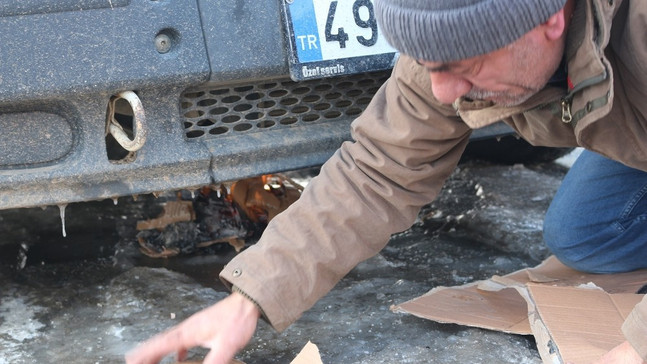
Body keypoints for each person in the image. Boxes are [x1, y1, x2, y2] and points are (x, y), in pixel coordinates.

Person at [125, 0, 647, 363]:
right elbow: (376, 172)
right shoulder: (450, 40)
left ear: (550, 18)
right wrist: (250, 301)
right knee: (586, 236)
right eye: (430, 67)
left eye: (465, 67)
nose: (444, 93)